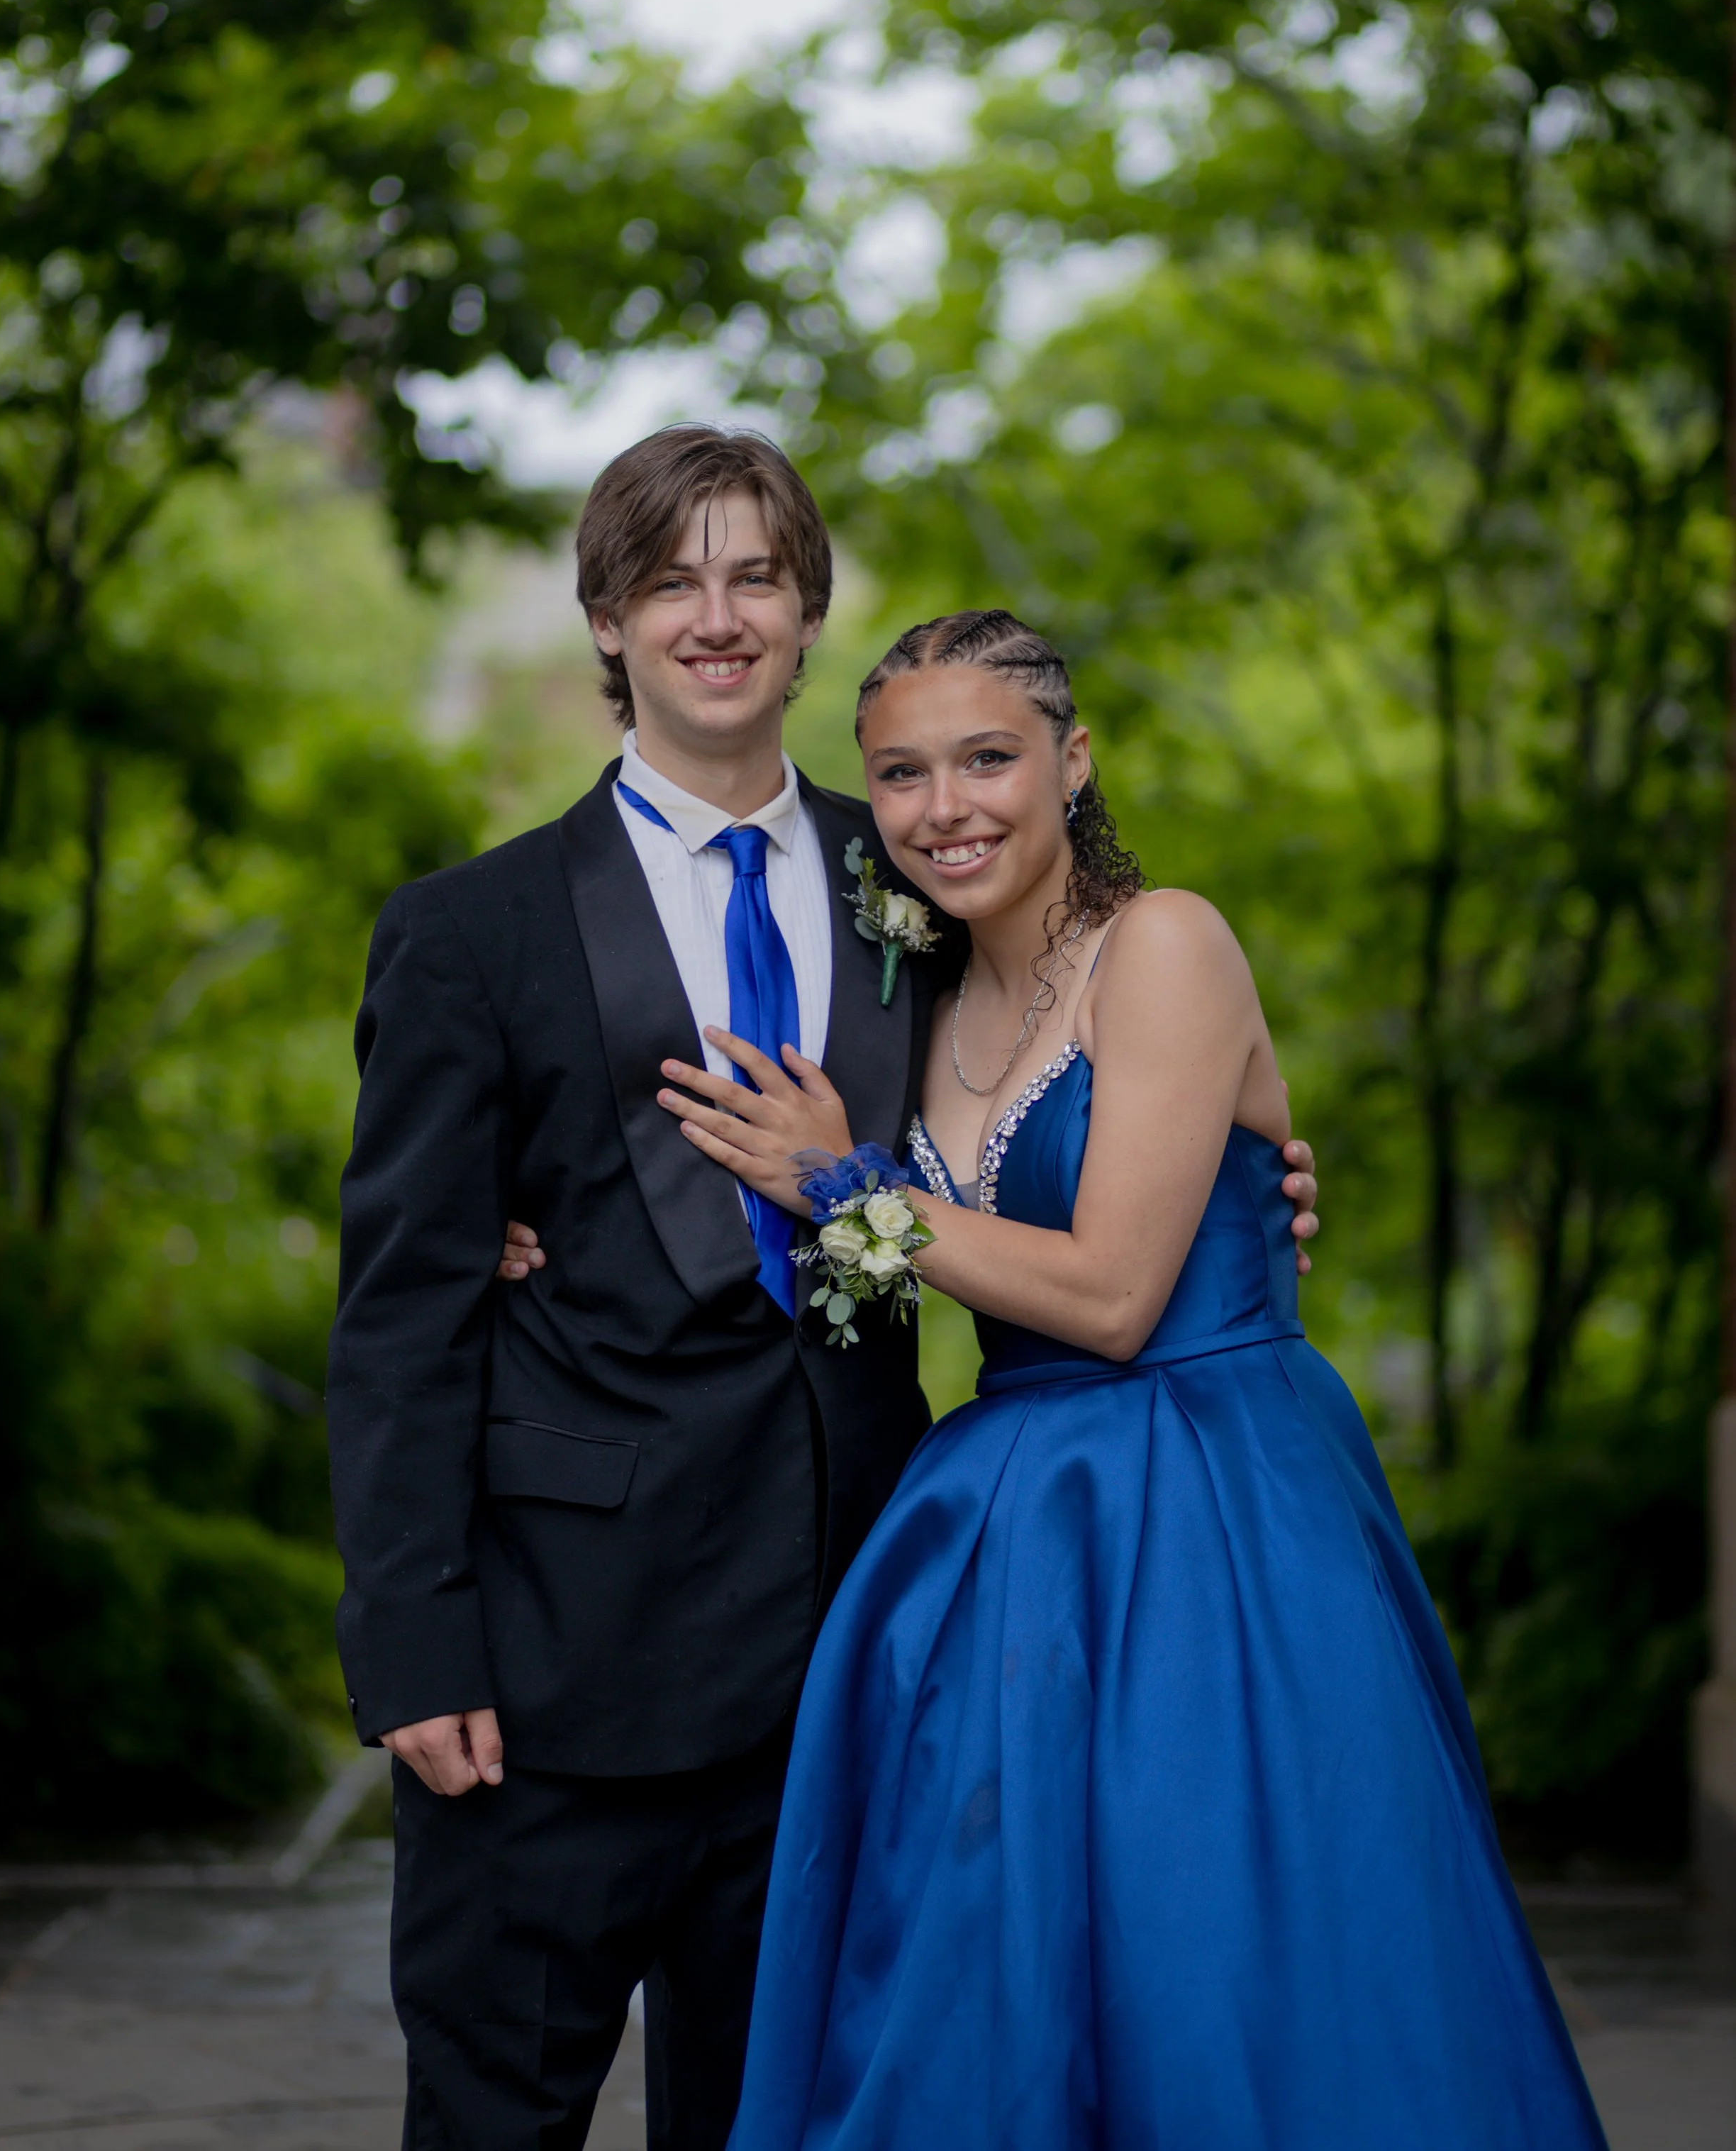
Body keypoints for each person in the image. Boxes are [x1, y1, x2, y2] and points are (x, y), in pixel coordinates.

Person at [326, 425, 1325, 2151]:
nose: (714, 615)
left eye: (754, 577)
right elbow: (399, 1315)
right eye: (669, 579)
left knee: (796, 2123)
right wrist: (412, 1643)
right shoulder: (466, 933)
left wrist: (1263, 1168)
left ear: (802, 619)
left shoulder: (932, 869)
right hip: (552, 1669)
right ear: (609, 621)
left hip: (852, 1647)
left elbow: (1101, 1070)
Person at [657, 608, 1606, 2151]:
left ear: (1070, 761)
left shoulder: (1166, 942)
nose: (943, 805)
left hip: (1211, 1521)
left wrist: (846, 1194)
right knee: (985, 1976)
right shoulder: (917, 1001)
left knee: (1221, 1957)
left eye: (986, 758)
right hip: (993, 1541)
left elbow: (1108, 1295)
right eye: (898, 774)